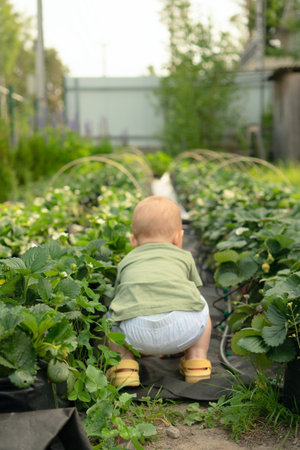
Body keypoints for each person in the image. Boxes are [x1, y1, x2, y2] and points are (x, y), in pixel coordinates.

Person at [106, 195, 212, 387]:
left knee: (112, 315)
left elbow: (121, 299)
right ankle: (196, 360)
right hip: (183, 330)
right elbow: (191, 294)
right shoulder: (184, 256)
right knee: (199, 301)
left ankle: (124, 366)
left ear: (133, 240)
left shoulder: (126, 261)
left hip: (135, 334)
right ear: (178, 237)